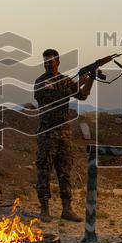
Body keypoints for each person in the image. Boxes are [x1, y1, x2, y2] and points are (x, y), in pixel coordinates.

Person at [33, 48, 94, 220]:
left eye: (50, 61)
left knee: (65, 170)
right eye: (45, 62)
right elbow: (55, 97)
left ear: (57, 62)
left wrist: (91, 80)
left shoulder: (65, 80)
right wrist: (78, 83)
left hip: (64, 134)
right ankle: (44, 209)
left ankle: (67, 209)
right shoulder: (40, 82)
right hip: (47, 133)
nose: (47, 64)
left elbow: (82, 96)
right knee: (44, 170)